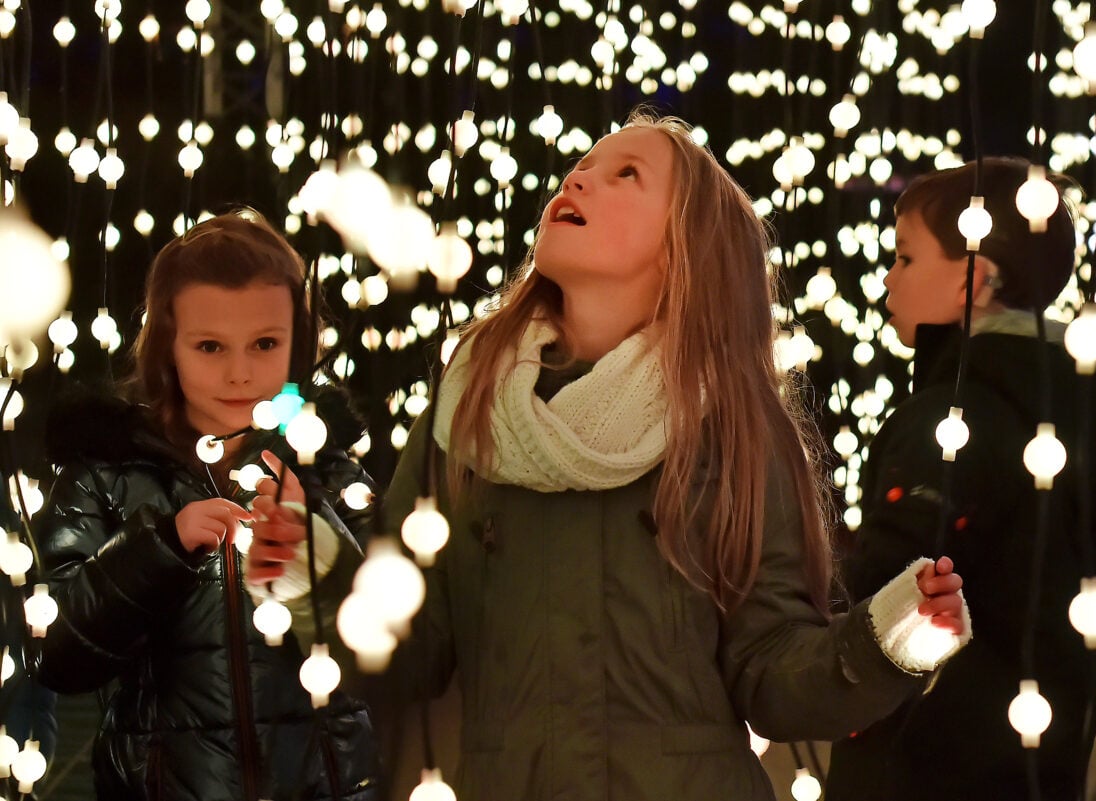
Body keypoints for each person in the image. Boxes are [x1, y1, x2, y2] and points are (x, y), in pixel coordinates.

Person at [253, 111, 971, 801]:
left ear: (686, 248)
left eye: (626, 173)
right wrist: (310, 571)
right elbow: (415, 644)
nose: (578, 180)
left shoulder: (731, 424)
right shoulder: (470, 403)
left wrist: (887, 640)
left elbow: (769, 668)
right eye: (580, 167)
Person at [824, 158, 1096, 801]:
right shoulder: (1081, 418)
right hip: (1036, 760)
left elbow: (888, 596)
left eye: (905, 258)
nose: (887, 277)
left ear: (975, 278)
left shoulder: (956, 418)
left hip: (919, 761)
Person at [35, 211, 380, 801]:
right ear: (168, 345)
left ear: (299, 343)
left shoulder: (326, 468)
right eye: (210, 346)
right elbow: (59, 654)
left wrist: (315, 541)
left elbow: (391, 646)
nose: (240, 373)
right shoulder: (107, 476)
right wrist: (159, 549)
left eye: (265, 344)